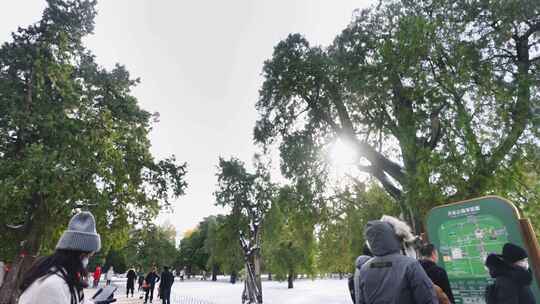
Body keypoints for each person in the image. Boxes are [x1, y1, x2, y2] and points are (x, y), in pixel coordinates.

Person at [18, 211, 111, 304]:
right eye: (89, 256)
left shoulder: (62, 276)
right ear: (81, 255)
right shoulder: (54, 285)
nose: (87, 261)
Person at [355, 220, 438, 304]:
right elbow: (428, 298)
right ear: (392, 236)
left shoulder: (364, 270)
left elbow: (361, 301)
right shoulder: (410, 265)